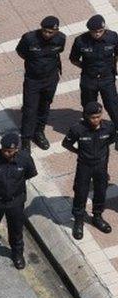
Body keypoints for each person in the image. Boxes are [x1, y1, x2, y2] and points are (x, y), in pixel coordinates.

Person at [0, 132, 38, 270]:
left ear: (17, 149)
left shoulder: (25, 159)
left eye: (10, 151)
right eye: (4, 150)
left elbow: (29, 174)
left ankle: (17, 254)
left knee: (16, 230)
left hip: (15, 202)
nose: (6, 153)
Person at [62, 101, 116, 239]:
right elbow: (66, 143)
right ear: (86, 116)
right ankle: (78, 221)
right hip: (84, 166)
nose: (96, 120)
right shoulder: (77, 129)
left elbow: (111, 140)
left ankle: (97, 216)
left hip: (101, 167)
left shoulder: (108, 127)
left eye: (98, 116)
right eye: (93, 117)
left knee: (100, 191)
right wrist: (79, 152)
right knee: (80, 192)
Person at [16, 16, 65, 150]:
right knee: (29, 109)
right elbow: (21, 52)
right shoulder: (29, 38)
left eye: (51, 32)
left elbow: (59, 51)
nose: (47, 34)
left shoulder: (61, 38)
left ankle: (39, 132)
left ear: (56, 31)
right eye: (45, 31)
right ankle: (26, 139)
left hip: (51, 79)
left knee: (45, 106)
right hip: (33, 80)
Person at [70, 15, 118, 126]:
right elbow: (74, 59)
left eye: (100, 31)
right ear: (89, 30)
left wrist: (114, 67)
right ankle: (90, 129)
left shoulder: (113, 37)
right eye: (94, 31)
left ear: (104, 29)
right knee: (89, 106)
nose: (97, 34)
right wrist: (86, 68)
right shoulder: (80, 41)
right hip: (89, 79)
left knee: (113, 105)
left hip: (107, 78)